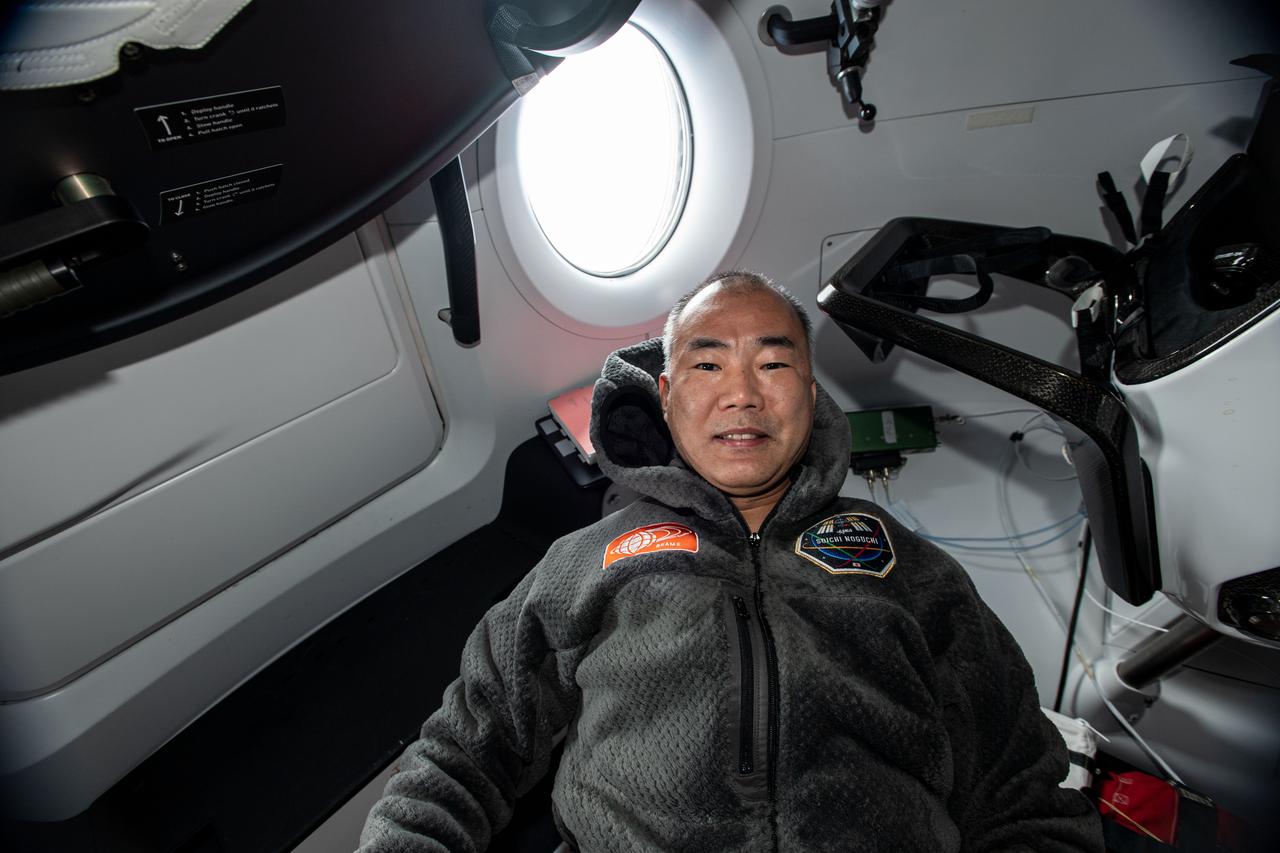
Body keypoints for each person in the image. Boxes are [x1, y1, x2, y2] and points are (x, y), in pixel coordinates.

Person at [358, 272, 1102, 852]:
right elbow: (458, 757)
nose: (742, 393)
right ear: (668, 396)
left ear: (808, 396)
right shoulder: (584, 563)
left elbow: (1026, 796)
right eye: (708, 364)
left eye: (773, 363)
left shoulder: (915, 573)